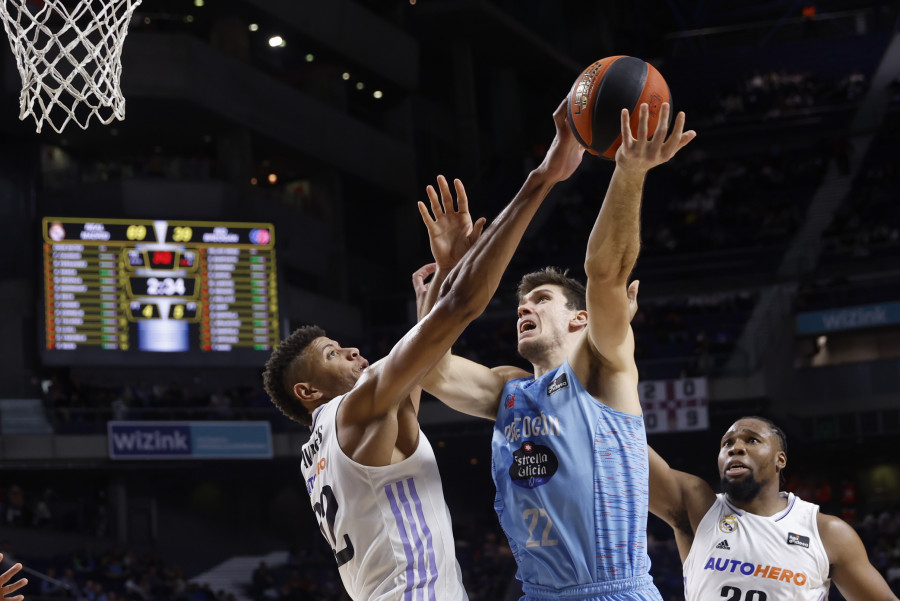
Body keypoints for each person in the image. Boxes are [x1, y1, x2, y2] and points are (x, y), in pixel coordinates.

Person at [262, 99, 586, 601]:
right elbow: (463, 309)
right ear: (307, 390)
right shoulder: (356, 408)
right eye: (331, 353)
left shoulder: (335, 442)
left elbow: (421, 373)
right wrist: (543, 177)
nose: (351, 351)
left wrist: (437, 289)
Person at [416, 102, 695, 601]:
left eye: (541, 299)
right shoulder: (509, 387)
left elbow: (606, 273)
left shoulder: (603, 366)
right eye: (521, 303)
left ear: (579, 317)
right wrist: (449, 275)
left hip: (614, 591)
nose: (525, 307)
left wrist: (629, 171)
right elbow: (429, 370)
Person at [648, 416, 899, 600]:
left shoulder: (827, 532)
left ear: (780, 459)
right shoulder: (698, 508)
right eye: (727, 444)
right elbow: (626, 455)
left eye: (752, 440)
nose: (735, 447)